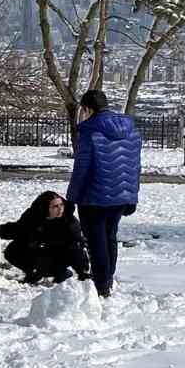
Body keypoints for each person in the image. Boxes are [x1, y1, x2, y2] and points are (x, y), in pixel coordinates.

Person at [66, 89, 141, 299]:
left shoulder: (89, 131)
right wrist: (132, 195)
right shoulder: (131, 130)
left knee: (96, 241)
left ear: (87, 109)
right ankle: (107, 278)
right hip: (120, 196)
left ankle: (101, 286)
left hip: (93, 197)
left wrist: (72, 198)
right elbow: (134, 166)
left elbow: (82, 168)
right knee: (110, 237)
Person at [0, 191, 91, 285]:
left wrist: (82, 271)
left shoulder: (69, 222)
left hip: (60, 255)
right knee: (12, 250)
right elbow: (18, 229)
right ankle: (33, 273)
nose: (60, 209)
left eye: (61, 205)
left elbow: (77, 247)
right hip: (39, 250)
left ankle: (60, 273)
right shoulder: (33, 216)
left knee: (69, 251)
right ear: (45, 208)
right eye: (55, 206)